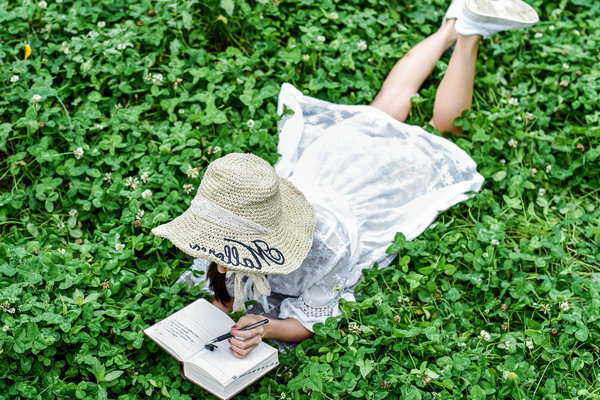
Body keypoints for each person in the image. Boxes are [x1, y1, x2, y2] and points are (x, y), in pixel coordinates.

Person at [152, 0, 539, 358]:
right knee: (384, 106)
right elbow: (221, 291)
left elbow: (308, 321)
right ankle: (450, 24)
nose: (218, 266)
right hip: (331, 163)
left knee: (439, 132)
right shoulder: (234, 212)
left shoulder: (327, 246)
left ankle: (467, 32)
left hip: (373, 189)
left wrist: (267, 327)